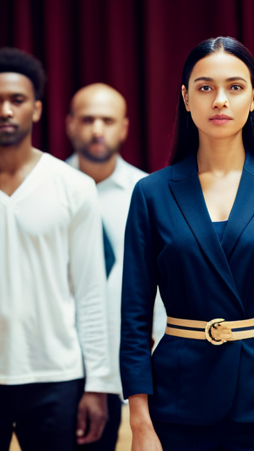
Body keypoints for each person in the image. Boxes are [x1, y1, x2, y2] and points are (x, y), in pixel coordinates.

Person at [119, 36, 254, 451]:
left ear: (253, 98)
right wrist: (140, 422)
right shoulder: (151, 193)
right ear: (185, 97)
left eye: (233, 87)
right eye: (205, 87)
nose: (219, 101)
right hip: (177, 401)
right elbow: (134, 318)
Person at [0, 47, 112, 451]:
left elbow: (91, 292)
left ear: (36, 110)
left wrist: (98, 384)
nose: (5, 111)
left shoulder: (73, 187)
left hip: (56, 375)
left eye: (17, 100)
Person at [66, 82, 167, 450]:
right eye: (87, 119)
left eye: (107, 120)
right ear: (69, 125)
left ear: (124, 127)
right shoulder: (48, 188)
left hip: (123, 360)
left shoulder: (150, 193)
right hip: (58, 365)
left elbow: (161, 286)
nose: (97, 129)